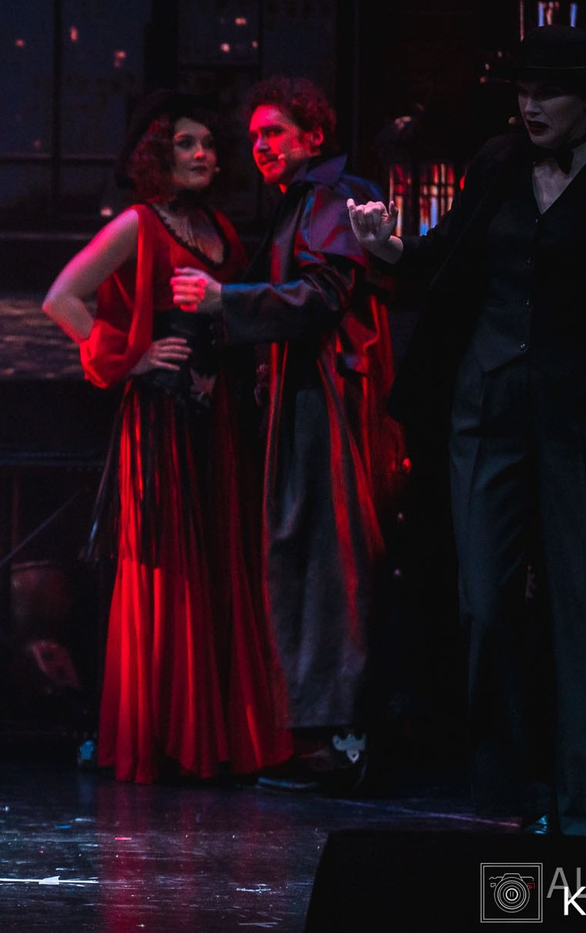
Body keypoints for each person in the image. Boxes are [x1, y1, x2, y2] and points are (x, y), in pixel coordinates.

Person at [346, 25, 586, 836]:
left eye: (547, 93)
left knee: (583, 608)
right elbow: (449, 255)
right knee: (486, 606)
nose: (531, 107)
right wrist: (388, 249)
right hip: (487, 407)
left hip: (581, 412)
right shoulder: (497, 161)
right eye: (522, 92)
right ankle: (512, 787)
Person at [42, 91, 290, 784]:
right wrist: (132, 356)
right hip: (160, 424)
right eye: (185, 142)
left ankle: (217, 736)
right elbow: (62, 298)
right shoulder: (139, 225)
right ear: (158, 153)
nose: (201, 153)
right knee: (168, 574)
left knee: (219, 570)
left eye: (208, 143)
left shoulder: (220, 230)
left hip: (219, 421)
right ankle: (166, 738)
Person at [170, 77, 404, 789]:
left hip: (327, 399)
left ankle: (341, 740)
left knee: (330, 558)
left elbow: (325, 294)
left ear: (313, 136)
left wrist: (225, 301)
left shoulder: (334, 195)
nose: (261, 146)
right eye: (255, 137)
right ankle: (321, 738)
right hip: (303, 398)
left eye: (274, 132)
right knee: (307, 555)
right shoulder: (300, 202)